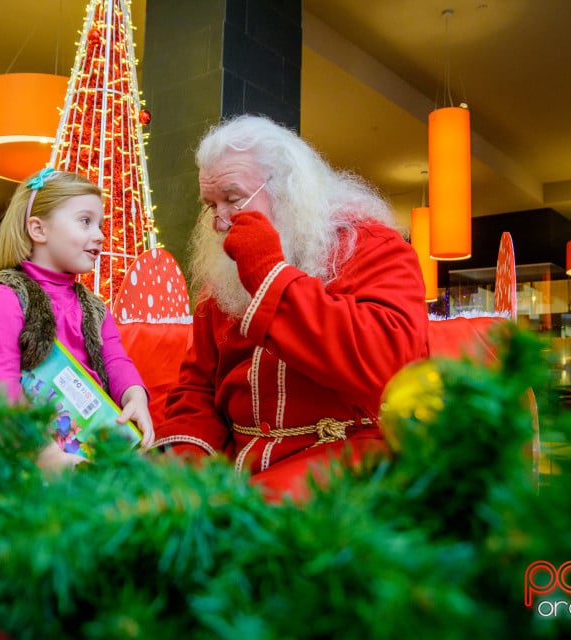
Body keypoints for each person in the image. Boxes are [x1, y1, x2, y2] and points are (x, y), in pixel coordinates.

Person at [153, 114, 430, 502]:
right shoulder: (222, 277)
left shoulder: (373, 247)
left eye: (232, 199)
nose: (218, 222)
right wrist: (188, 459)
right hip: (238, 470)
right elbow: (198, 387)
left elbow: (389, 364)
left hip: (348, 466)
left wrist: (269, 275)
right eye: (210, 205)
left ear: (287, 189)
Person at [0, 168, 154, 468]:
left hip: (85, 446)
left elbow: (116, 360)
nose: (100, 235)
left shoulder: (94, 308)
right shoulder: (6, 297)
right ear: (39, 230)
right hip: (19, 450)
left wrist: (135, 397)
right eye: (85, 221)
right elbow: (1, 388)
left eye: (101, 225)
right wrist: (42, 453)